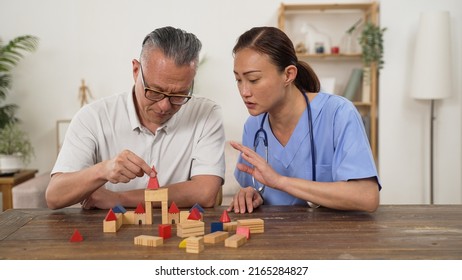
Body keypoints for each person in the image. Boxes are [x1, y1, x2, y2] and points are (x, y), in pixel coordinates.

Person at [46, 26, 225, 210]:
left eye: (180, 95)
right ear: (136, 70)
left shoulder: (206, 114)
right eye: (155, 91)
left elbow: (205, 193)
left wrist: (120, 199)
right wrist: (103, 170)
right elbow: (55, 196)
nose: (165, 105)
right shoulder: (93, 117)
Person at [228, 26, 380, 214]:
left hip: (333, 238)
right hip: (273, 237)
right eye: (238, 80)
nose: (244, 92)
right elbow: (256, 187)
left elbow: (367, 197)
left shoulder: (338, 113)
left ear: (288, 74)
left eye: (253, 79)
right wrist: (251, 194)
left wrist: (281, 182)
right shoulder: (254, 126)